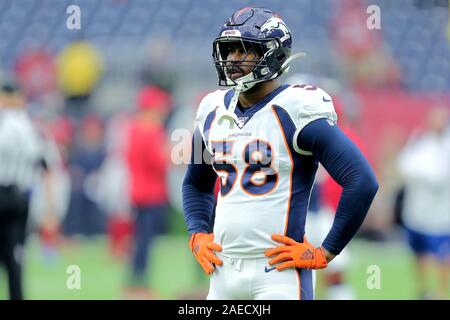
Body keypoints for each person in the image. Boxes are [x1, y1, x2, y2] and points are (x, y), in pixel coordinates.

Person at [182, 7, 378, 300]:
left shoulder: (297, 108)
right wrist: (197, 232)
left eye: (244, 50)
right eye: (229, 50)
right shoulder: (211, 109)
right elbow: (195, 183)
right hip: (222, 272)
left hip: (278, 275)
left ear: (272, 55)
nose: (233, 59)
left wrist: (325, 251)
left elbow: (362, 180)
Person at [0, 81, 52, 299]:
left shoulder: (5, 124)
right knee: (16, 256)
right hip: (21, 197)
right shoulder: (31, 127)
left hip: (2, 193)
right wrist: (50, 207)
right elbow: (45, 166)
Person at [396, 106, 450, 300]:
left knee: (443, 256)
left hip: (440, 216)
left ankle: (442, 293)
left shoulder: (446, 146)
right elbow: (403, 164)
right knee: (418, 253)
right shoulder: (420, 140)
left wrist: (416, 173)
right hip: (416, 212)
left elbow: (438, 177)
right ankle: (424, 291)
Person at [124, 85, 171, 298]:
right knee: (146, 241)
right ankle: (141, 283)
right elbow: (159, 161)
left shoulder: (133, 128)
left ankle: (133, 280)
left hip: (136, 191)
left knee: (139, 239)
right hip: (152, 193)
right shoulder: (152, 130)